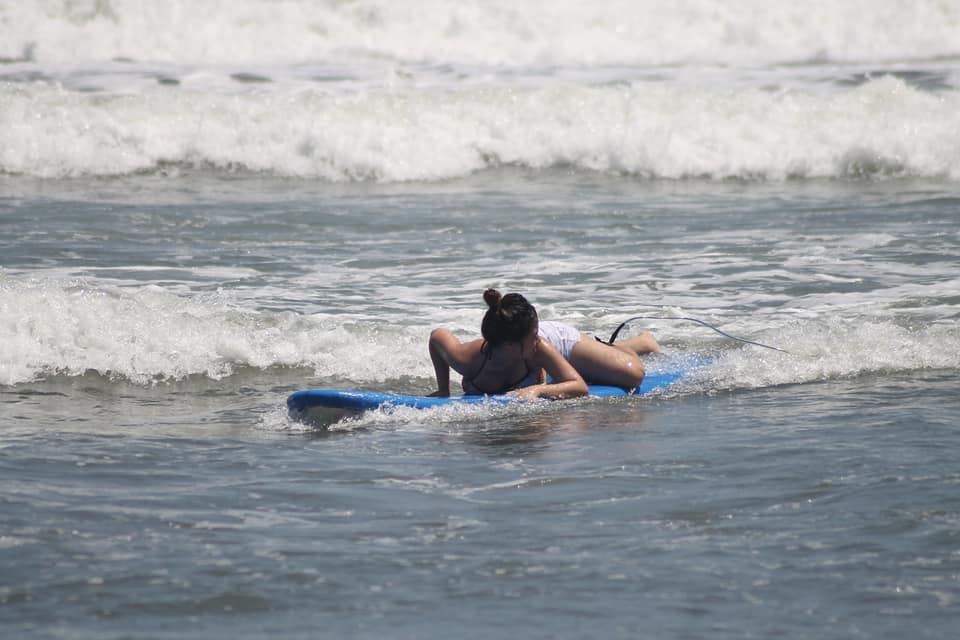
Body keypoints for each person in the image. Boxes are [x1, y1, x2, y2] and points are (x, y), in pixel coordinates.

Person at [428, 289, 661, 399]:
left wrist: (537, 389)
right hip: (533, 349)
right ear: (511, 346)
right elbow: (437, 337)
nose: (538, 338)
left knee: (633, 374)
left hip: (564, 345)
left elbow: (578, 386)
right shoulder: (467, 359)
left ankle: (638, 343)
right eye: (534, 335)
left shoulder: (541, 346)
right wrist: (444, 389)